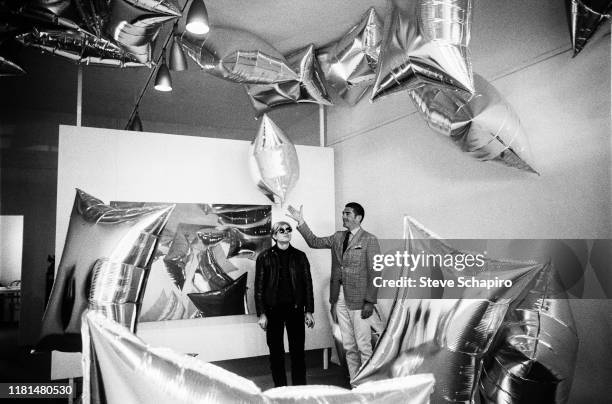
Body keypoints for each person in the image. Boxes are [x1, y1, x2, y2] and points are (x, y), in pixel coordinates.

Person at [287, 202, 381, 380]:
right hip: (339, 297)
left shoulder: (370, 239)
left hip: (360, 300)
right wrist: (301, 222)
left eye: (347, 213)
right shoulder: (338, 237)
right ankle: (355, 382)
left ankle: (369, 383)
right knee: (348, 344)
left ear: (358, 218)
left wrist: (370, 301)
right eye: (343, 213)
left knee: (363, 344)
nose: (343, 216)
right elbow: (314, 242)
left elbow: (376, 272)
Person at [255, 221, 315, 387]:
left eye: (288, 230)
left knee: (298, 353)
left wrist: (309, 310)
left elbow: (307, 284)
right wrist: (261, 313)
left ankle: (300, 391)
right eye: (281, 230)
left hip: (295, 310)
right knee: (276, 354)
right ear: (274, 235)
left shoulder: (300, 256)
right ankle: (280, 390)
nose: (286, 232)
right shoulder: (264, 257)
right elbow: (258, 287)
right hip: (273, 311)